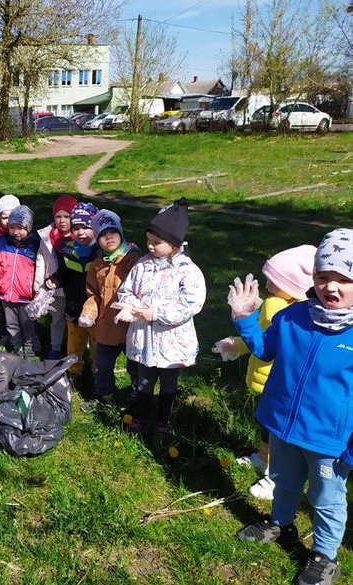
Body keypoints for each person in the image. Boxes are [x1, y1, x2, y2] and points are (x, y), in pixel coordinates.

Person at [233, 229, 353, 585]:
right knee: (284, 481)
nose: (331, 287)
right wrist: (245, 319)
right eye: (323, 277)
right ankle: (280, 523)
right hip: (282, 424)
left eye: (344, 279)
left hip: (329, 442)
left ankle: (324, 556)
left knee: (326, 499)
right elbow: (264, 350)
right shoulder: (293, 316)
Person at [214, 244, 316, 501]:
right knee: (265, 425)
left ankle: (277, 476)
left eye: (276, 279)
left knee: (280, 432)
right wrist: (237, 344)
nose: (268, 281)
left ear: (294, 286)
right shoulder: (273, 304)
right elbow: (262, 341)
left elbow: (277, 347)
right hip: (262, 382)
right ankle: (263, 456)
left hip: (281, 385)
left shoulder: (293, 316)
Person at [115, 198, 206, 441]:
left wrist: (157, 314)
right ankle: (141, 415)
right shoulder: (142, 265)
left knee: (168, 381)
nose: (151, 247)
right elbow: (126, 291)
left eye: (157, 243)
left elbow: (191, 304)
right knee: (143, 378)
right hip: (144, 336)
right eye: (149, 241)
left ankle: (164, 418)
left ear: (175, 244)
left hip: (171, 340)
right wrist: (132, 306)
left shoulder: (187, 270)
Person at [78, 209, 140, 410]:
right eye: (103, 235)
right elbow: (94, 294)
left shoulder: (135, 261)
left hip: (131, 326)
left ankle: (138, 396)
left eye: (112, 232)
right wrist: (89, 313)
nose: (108, 237)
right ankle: (104, 396)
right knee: (102, 365)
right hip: (106, 326)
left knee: (135, 366)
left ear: (121, 233)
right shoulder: (97, 266)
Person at [0, 196, 44, 360]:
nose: (16, 232)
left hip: (25, 294)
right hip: (6, 292)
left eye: (21, 228)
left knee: (27, 324)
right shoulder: (2, 242)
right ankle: (17, 346)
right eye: (12, 227)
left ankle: (30, 347)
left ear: (29, 228)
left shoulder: (34, 244)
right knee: (11, 324)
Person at [44, 203, 99, 392]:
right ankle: (74, 373)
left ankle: (97, 375)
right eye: (76, 228)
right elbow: (64, 273)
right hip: (73, 308)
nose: (81, 232)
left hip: (96, 313)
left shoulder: (101, 253)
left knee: (98, 346)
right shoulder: (67, 251)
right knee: (74, 344)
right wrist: (54, 280)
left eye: (86, 227)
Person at [37, 194, 78, 359]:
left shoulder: (81, 236)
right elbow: (40, 260)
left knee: (77, 319)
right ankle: (55, 347)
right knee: (57, 318)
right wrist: (38, 282)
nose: (62, 220)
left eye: (67, 216)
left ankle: (79, 347)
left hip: (76, 286)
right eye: (58, 216)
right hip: (55, 286)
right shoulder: (47, 236)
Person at [0, 194, 21, 349]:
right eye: (4, 217)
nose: (9, 221)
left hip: (20, 281)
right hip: (2, 280)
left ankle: (28, 337)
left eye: (13, 216)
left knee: (23, 311)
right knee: (4, 310)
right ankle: (6, 334)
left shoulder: (23, 235)